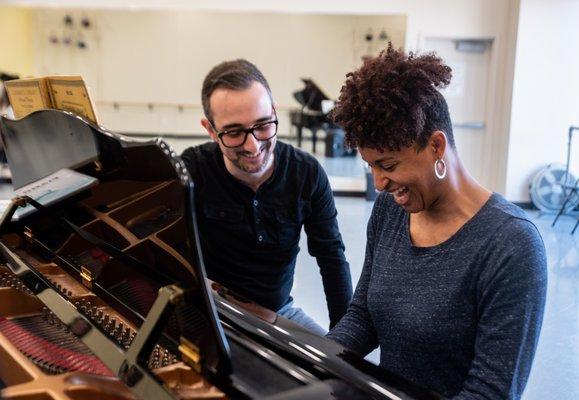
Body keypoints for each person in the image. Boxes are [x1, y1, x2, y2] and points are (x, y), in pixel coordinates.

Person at [327, 45, 547, 399]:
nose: (378, 183)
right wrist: (315, 361)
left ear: (437, 147)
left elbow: (491, 391)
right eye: (370, 166)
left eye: (388, 165)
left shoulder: (511, 245)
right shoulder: (390, 211)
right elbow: (364, 314)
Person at [181, 59, 352, 335]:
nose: (253, 145)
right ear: (211, 130)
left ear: (274, 112)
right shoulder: (191, 170)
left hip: (278, 312)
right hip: (211, 307)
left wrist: (345, 339)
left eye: (263, 125)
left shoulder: (306, 173)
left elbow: (331, 257)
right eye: (234, 132)